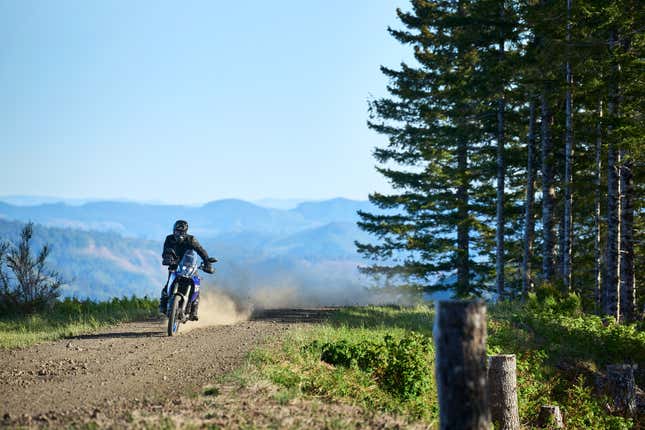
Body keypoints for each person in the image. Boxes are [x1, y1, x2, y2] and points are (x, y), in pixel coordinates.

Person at [159, 219, 214, 319]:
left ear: (186, 232)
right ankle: (163, 306)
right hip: (175, 265)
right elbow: (166, 250)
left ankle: (194, 311)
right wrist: (167, 259)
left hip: (190, 266)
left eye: (182, 232)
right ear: (173, 230)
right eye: (177, 231)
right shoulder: (169, 239)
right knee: (167, 286)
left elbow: (201, 251)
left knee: (196, 287)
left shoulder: (191, 239)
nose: (179, 234)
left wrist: (207, 262)